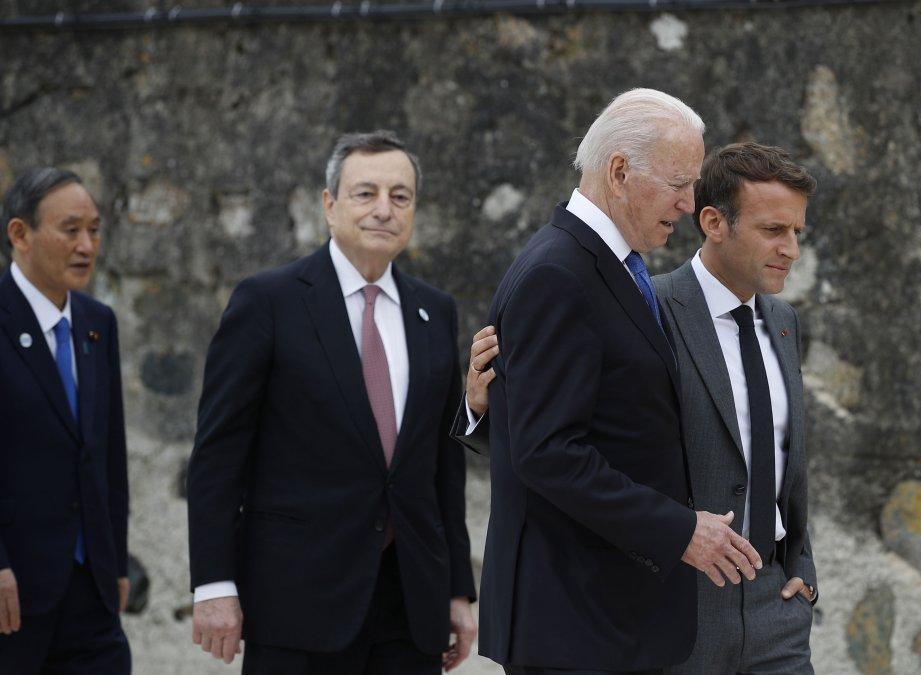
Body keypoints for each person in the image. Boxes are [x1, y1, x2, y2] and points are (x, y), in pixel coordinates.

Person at [461, 142, 821, 674]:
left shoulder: (784, 322)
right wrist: (486, 406)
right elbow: (575, 436)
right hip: (681, 601)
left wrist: (801, 565)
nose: (791, 249)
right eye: (774, 231)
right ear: (714, 222)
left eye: (797, 233)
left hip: (776, 609)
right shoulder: (646, 310)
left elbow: (785, 454)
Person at [187, 131, 476, 674]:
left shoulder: (434, 313)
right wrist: (214, 582)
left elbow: (443, 464)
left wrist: (458, 589)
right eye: (365, 193)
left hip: (409, 605)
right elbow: (218, 456)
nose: (384, 210)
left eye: (400, 196)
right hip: (298, 602)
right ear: (329, 204)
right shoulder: (267, 302)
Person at [0, 167, 131, 673]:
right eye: (70, 229)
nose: (86, 245)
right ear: (20, 234)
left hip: (90, 588)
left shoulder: (98, 324)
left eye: (94, 230)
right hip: (15, 592)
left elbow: (108, 453)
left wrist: (115, 560)